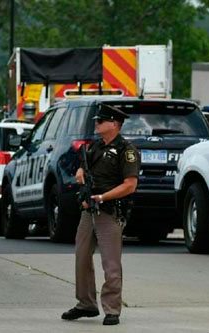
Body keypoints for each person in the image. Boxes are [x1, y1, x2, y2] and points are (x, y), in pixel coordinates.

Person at [61, 103, 140, 326]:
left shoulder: (127, 151)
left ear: (114, 124)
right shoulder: (95, 148)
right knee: (82, 257)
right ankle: (86, 304)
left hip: (109, 210)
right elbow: (84, 170)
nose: (96, 124)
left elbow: (130, 185)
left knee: (111, 263)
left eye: (100, 121)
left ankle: (112, 309)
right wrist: (80, 173)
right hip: (89, 210)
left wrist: (103, 197)